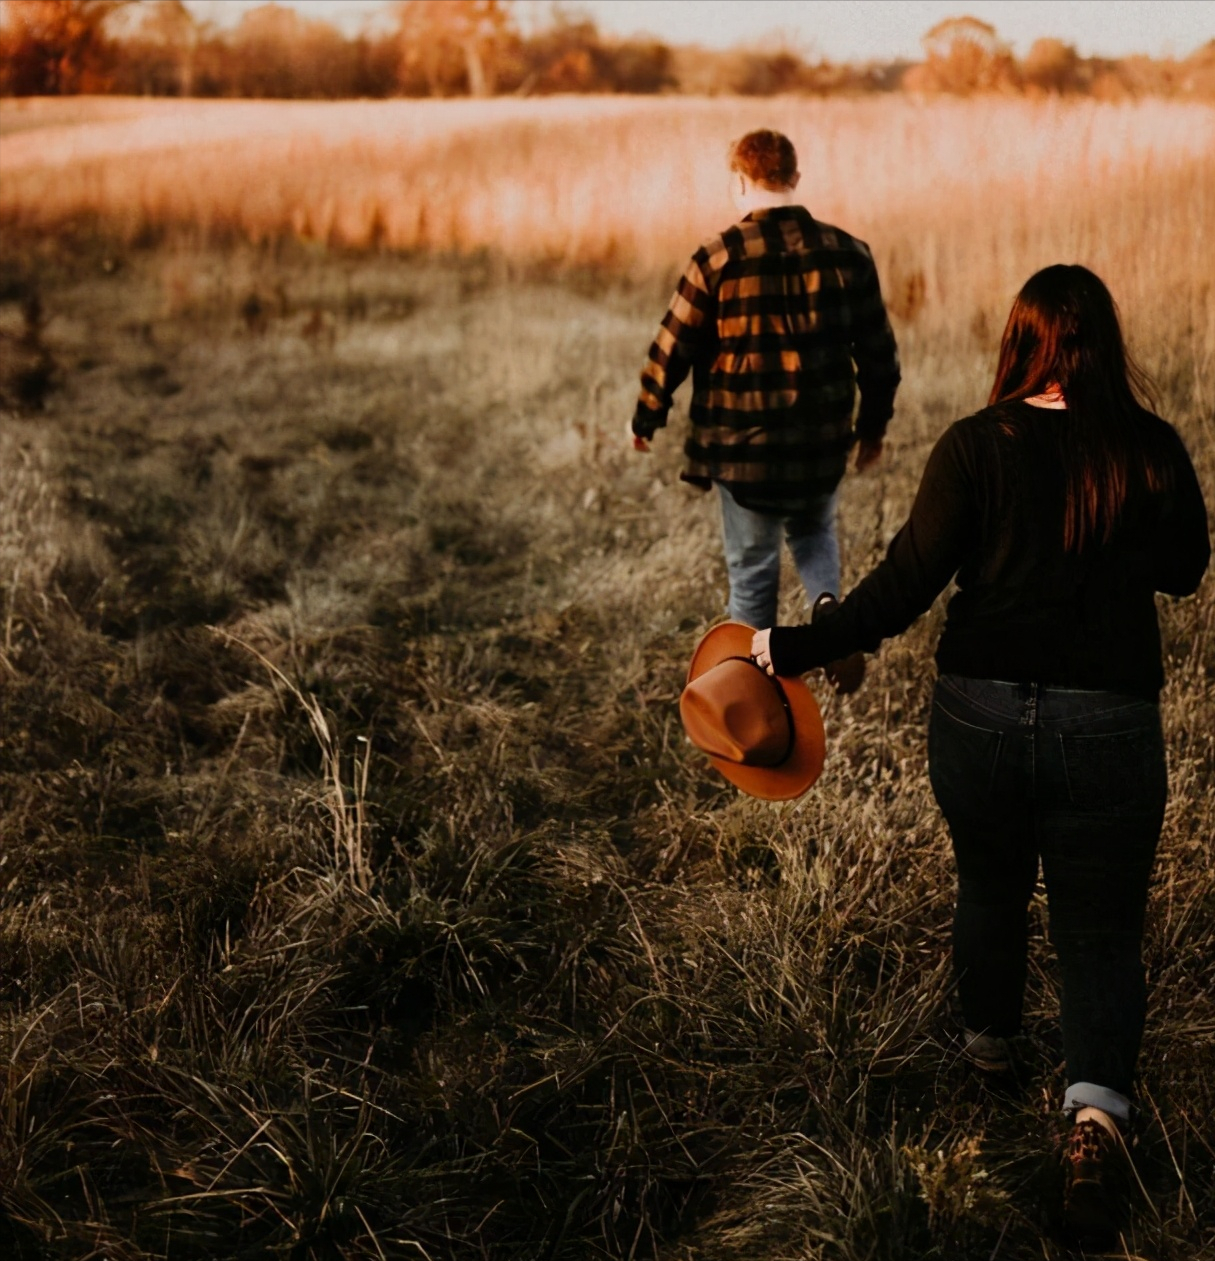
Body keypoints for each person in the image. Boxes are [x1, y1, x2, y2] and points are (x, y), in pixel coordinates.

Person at [750, 264, 1210, 1246]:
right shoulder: (1151, 446)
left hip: (980, 716)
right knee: (1098, 929)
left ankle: (990, 1053)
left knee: (990, 884)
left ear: (1020, 341)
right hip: (1108, 724)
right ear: (1107, 342)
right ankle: (1093, 1125)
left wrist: (787, 647)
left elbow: (902, 589)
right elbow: (1185, 573)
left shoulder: (974, 447)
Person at [631, 128, 900, 687]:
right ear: (795, 179)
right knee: (813, 529)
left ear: (739, 182)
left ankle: (753, 704)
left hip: (744, 451)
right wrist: (871, 429)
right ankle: (828, 610)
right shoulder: (850, 254)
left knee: (753, 573)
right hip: (822, 444)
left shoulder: (717, 257)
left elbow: (671, 345)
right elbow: (878, 354)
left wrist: (647, 416)